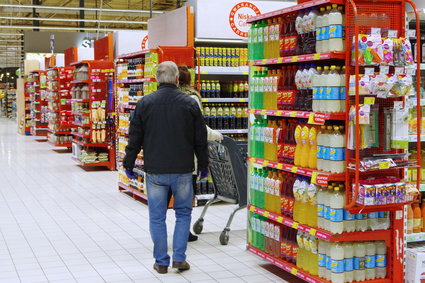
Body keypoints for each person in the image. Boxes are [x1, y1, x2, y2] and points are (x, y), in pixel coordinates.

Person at [123, 61, 208, 274]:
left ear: (156, 79)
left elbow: (135, 138)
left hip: (155, 171)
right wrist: (203, 164)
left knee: (157, 216)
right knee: (183, 214)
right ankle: (179, 258)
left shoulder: (144, 103)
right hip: (183, 170)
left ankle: (161, 261)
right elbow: (200, 138)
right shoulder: (189, 103)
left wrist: (129, 163)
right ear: (177, 79)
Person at [167, 66, 223, 242]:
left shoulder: (165, 97)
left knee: (165, 198)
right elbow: (198, 128)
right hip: (186, 156)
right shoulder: (191, 98)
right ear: (188, 80)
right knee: (185, 199)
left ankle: (161, 235)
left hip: (165, 156)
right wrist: (216, 136)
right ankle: (183, 232)